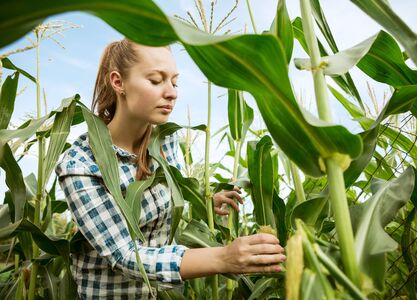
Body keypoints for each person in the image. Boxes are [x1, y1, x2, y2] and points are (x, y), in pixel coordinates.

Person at [56, 39, 285, 299]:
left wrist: (204, 202)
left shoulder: (165, 141)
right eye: (156, 81)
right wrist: (224, 257)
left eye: (174, 82)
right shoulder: (80, 164)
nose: (172, 93)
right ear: (118, 82)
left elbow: (168, 211)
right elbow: (125, 255)